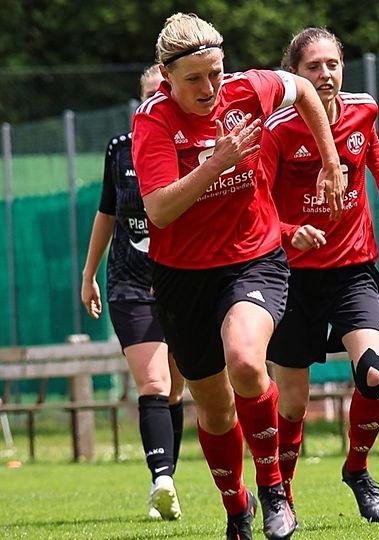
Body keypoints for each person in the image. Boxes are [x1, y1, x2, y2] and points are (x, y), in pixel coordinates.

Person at [131, 13, 345, 540]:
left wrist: (331, 158)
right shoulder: (152, 121)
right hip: (182, 275)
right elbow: (158, 210)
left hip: (253, 256)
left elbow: (304, 92)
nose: (210, 89)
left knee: (247, 360)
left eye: (216, 74)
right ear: (166, 76)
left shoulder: (249, 88)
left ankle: (274, 490)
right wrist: (215, 163)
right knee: (215, 406)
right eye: (194, 79)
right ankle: (236, 507)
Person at [259, 27, 379, 524]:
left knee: (373, 374)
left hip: (353, 271)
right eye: (313, 67)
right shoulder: (277, 129)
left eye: (332, 64)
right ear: (294, 75)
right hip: (291, 280)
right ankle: (282, 496)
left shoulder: (363, 107)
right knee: (293, 405)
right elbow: (253, 206)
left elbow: (373, 151)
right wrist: (288, 231)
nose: (325, 74)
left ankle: (358, 470)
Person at [80, 64, 185, 522]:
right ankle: (160, 478)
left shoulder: (195, 148)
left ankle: (170, 479)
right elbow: (107, 213)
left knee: (178, 389)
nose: (155, 101)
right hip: (129, 285)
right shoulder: (119, 150)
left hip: (184, 282)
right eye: (148, 95)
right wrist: (89, 275)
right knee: (155, 383)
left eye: (162, 92)